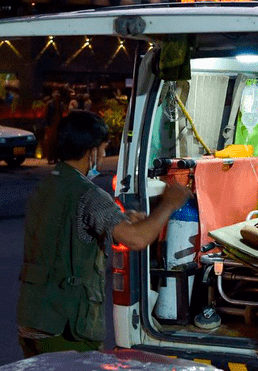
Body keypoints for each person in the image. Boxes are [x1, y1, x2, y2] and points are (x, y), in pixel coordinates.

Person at [16, 110, 192, 358]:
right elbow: (137, 239)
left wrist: (125, 221)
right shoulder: (88, 194)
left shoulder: (47, 185)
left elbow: (66, 232)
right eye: (102, 149)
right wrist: (169, 204)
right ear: (92, 152)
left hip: (32, 320)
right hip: (64, 330)